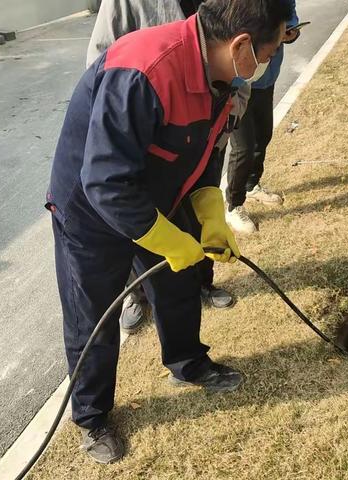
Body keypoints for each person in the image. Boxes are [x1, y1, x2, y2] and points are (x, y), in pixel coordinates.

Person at [47, 0, 292, 463]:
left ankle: (187, 363)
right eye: (272, 48)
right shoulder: (144, 71)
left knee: (180, 280)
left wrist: (210, 214)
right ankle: (92, 415)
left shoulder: (223, 78)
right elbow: (104, 181)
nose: (270, 60)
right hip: (90, 207)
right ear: (242, 45)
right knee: (92, 312)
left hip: (158, 190)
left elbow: (203, 155)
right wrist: (166, 239)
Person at [86, 0, 244, 335]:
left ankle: (191, 337)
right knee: (141, 239)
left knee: (186, 255)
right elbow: (103, 59)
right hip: (139, 144)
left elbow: (239, 70)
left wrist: (224, 116)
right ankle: (136, 293)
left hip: (199, 133)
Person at [225, 0, 300, 234]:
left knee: (263, 135)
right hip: (239, 81)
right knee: (243, 148)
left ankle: (251, 185)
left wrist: (290, 33)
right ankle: (233, 205)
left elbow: (292, 24)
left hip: (266, 79)